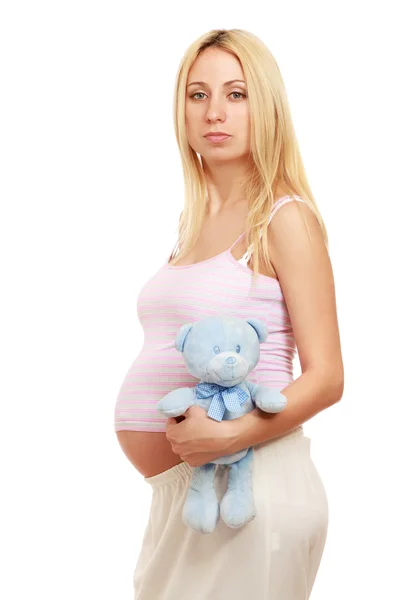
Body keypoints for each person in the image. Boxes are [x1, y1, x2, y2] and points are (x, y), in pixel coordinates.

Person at [115, 28, 344, 599]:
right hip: (193, 501)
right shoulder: (191, 225)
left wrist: (231, 435)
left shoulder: (283, 218)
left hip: (249, 492)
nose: (215, 111)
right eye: (198, 95)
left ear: (264, 106)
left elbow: (328, 375)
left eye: (236, 94)